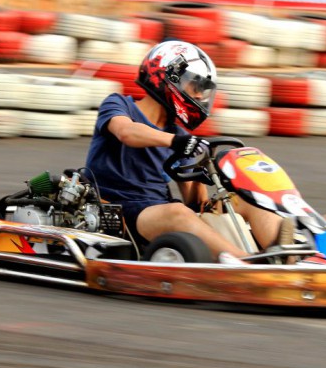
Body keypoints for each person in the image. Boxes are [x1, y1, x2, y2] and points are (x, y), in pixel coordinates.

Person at [84, 40, 289, 262]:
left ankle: (286, 256)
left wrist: (201, 172)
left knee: (244, 199)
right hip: (120, 210)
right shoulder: (119, 105)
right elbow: (127, 132)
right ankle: (247, 261)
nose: (199, 96)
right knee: (177, 211)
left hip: (159, 209)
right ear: (169, 76)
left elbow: (194, 204)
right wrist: (175, 142)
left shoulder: (178, 134)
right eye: (195, 86)